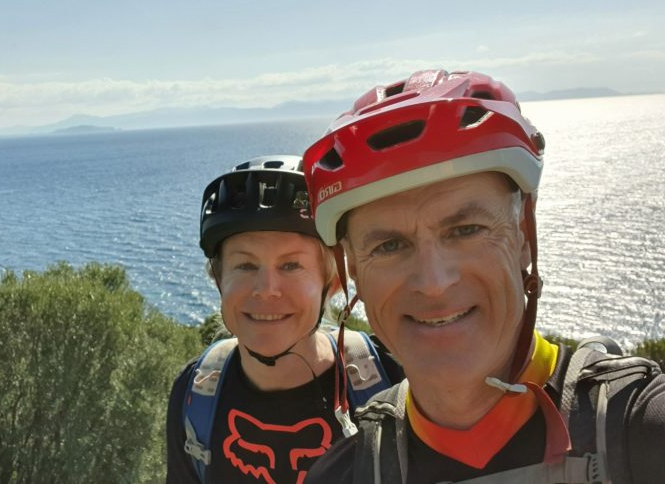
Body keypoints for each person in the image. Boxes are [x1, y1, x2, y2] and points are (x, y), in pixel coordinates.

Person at [301, 69, 665, 484]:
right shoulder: (342, 474)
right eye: (389, 246)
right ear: (353, 272)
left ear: (523, 235)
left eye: (466, 230)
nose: (434, 282)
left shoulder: (643, 427)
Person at [166, 155, 403, 483]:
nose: (266, 290)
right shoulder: (194, 395)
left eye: (291, 265)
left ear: (332, 283)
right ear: (219, 280)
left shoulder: (394, 380)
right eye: (245, 265)